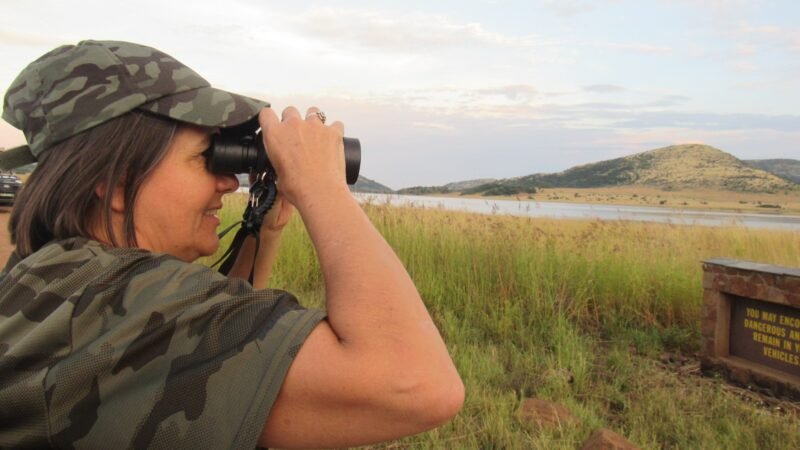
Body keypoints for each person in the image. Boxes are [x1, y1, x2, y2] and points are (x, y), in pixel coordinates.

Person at [0, 40, 463, 449]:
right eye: (207, 157)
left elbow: (210, 352)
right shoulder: (113, 299)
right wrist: (322, 188)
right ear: (118, 184)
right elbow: (415, 385)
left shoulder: (60, 277)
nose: (228, 181)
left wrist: (266, 225)